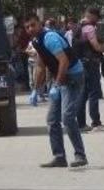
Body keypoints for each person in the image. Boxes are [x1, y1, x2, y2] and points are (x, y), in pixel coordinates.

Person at [24, 14, 88, 168]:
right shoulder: (36, 41)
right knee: (52, 119)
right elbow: (41, 65)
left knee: (67, 117)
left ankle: (80, 155)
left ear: (40, 24)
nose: (30, 29)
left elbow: (64, 61)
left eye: (33, 25)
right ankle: (59, 157)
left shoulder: (49, 38)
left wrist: (57, 85)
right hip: (60, 77)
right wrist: (35, 90)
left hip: (73, 77)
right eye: (27, 27)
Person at [75, 7, 104, 131]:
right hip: (90, 64)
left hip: (81, 63)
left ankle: (81, 124)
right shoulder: (89, 28)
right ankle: (96, 123)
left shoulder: (79, 27)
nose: (98, 20)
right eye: (97, 17)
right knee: (93, 93)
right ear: (93, 16)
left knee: (82, 94)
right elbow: (96, 46)